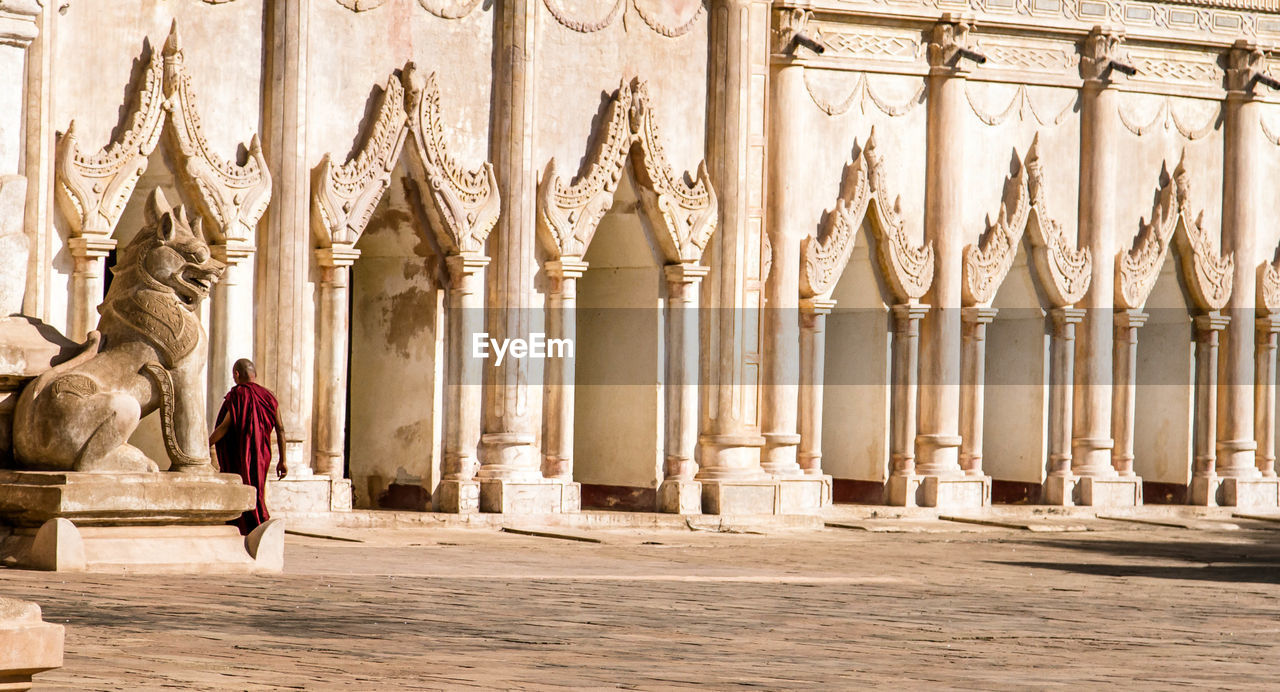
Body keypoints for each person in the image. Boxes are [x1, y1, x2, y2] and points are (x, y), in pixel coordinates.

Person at [209, 359, 288, 535]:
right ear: (255, 375)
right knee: (258, 488)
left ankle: (247, 525)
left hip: (241, 452)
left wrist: (205, 445)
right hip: (262, 453)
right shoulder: (270, 396)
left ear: (236, 374)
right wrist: (283, 460)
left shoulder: (239, 395)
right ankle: (260, 521)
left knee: (242, 487)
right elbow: (281, 429)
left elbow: (225, 426)